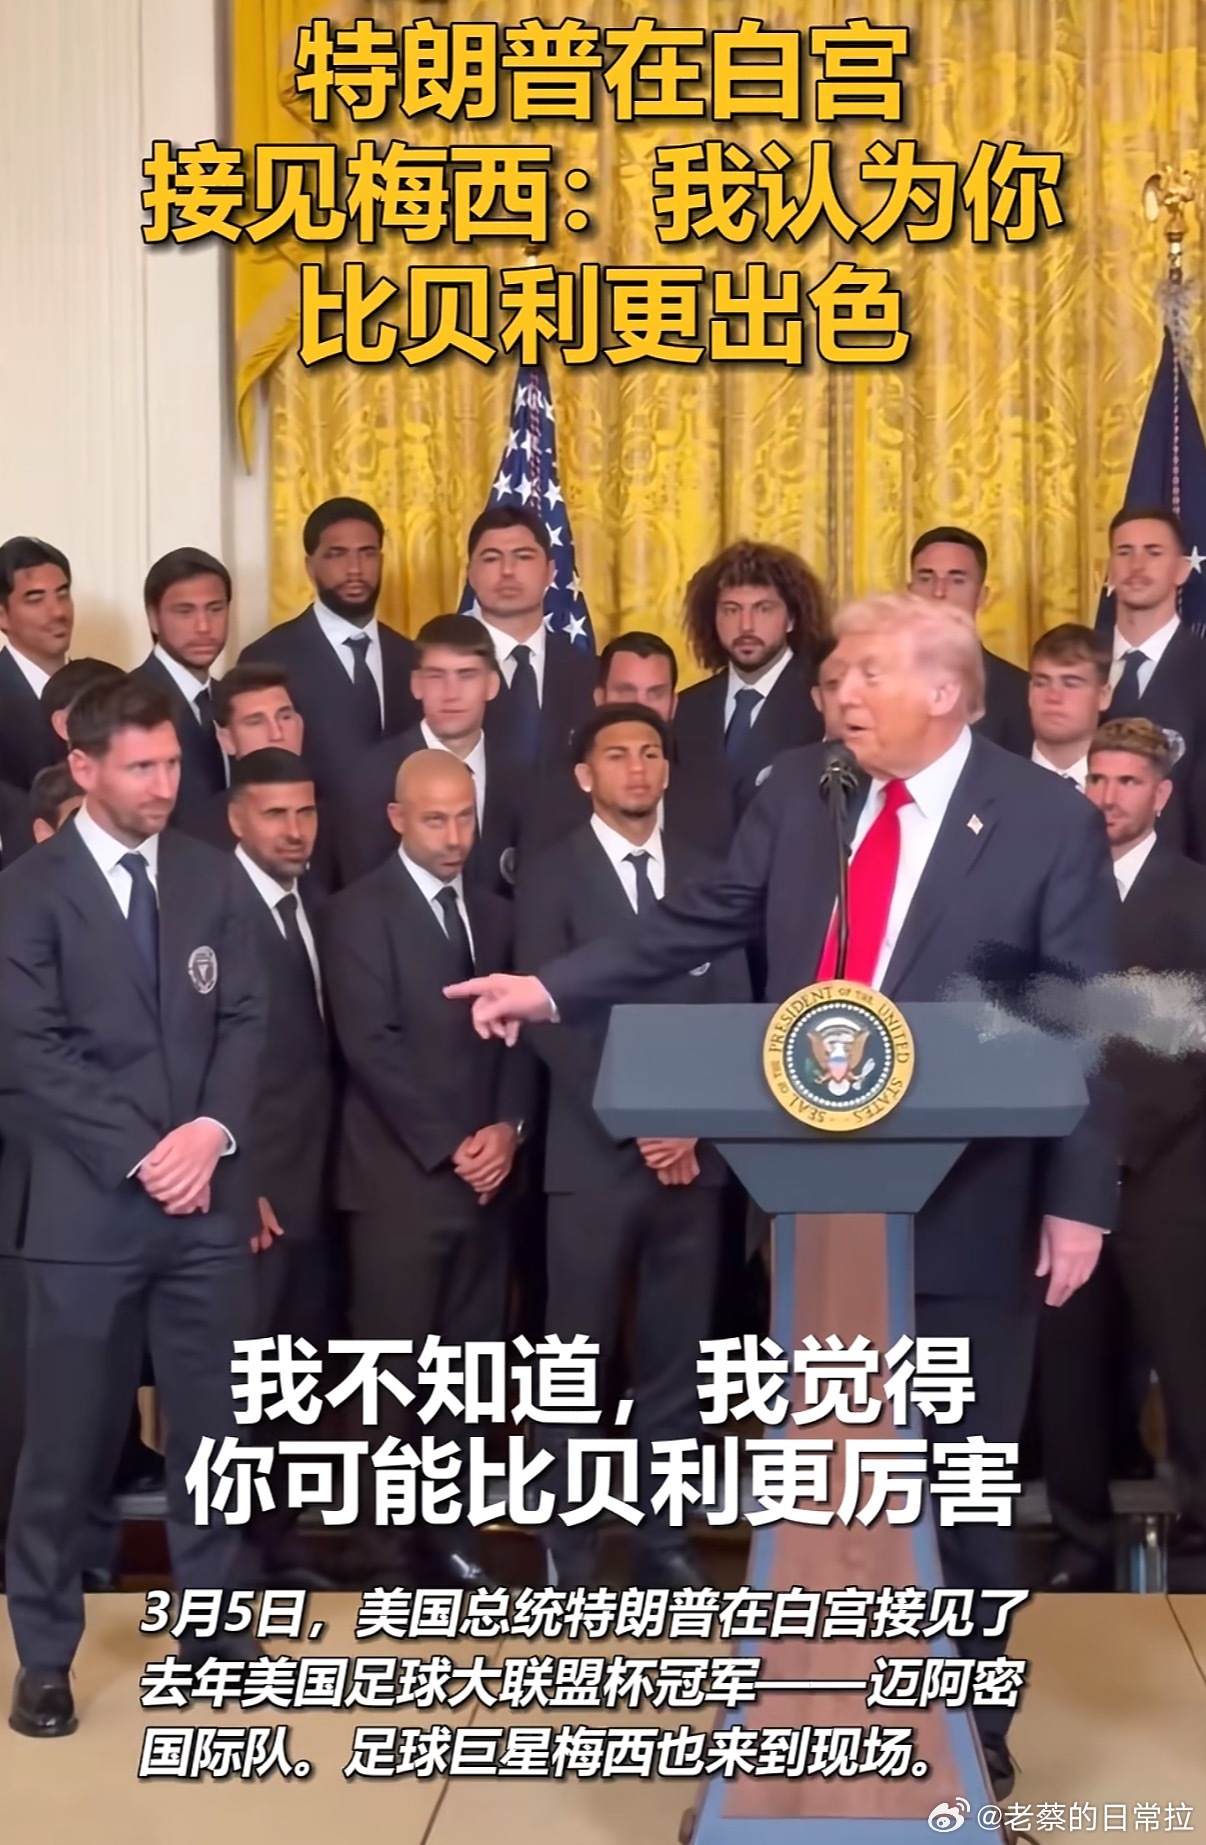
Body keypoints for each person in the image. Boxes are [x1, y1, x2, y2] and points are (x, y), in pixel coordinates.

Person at [448, 592, 1118, 1800]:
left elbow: (1082, 1015)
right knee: (830, 1473)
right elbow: (699, 919)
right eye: (838, 674)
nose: (841, 693)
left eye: (866, 675)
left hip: (974, 1200)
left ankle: (972, 1718)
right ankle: (818, 1696)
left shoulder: (1043, 819)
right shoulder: (804, 790)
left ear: (946, 694)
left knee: (961, 1479)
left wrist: (1081, 1198)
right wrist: (549, 989)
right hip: (815, 1201)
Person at [0, 676, 267, 1737]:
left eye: (172, 764)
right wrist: (145, 1153)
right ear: (86, 768)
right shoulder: (29, 891)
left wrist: (211, 1133)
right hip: (84, 1217)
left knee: (215, 1434)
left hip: (205, 1209)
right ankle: (45, 1655)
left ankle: (215, 1632)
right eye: (143, 767)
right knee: (65, 1445)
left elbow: (248, 1018)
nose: (164, 784)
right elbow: (32, 1051)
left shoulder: (211, 874)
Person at [515, 705, 750, 1589]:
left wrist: (689, 1121)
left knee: (675, 1361)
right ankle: (568, 1550)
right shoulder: (551, 874)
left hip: (694, 1159)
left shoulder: (710, 873)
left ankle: (665, 1546)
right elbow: (545, 1017)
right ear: (586, 775)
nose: (638, 767)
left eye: (651, 752)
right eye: (617, 754)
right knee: (574, 1363)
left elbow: (736, 1009)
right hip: (592, 1155)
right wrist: (641, 1116)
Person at [321, 751, 534, 1590]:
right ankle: (379, 1549)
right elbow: (370, 1045)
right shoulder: (355, 913)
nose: (454, 836)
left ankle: (450, 1537)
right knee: (391, 1375)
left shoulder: (500, 914)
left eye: (464, 817)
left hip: (489, 1182)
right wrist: (454, 1143)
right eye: (436, 819)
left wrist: (507, 1130)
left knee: (466, 1375)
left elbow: (527, 1035)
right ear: (397, 818)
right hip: (398, 1183)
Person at [1042, 718, 1206, 1589]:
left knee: (1189, 1365)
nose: (1108, 797)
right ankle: (1080, 1542)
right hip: (1060, 1172)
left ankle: (1199, 1548)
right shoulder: (1049, 889)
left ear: (1161, 795)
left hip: (1168, 1173)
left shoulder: (1195, 897)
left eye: (1127, 782)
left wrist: (1123, 1144)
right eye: (1096, 780)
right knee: (1069, 1371)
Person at [226, 748, 337, 1588]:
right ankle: (230, 1562)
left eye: (305, 812)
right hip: (251, 1194)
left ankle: (281, 1545)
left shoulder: (318, 906)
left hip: (323, 1184)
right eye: (275, 814)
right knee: (239, 1385)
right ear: (237, 819)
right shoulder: (214, 910)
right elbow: (196, 1059)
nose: (295, 830)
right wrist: (241, 1181)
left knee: (298, 1378)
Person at [238, 498, 419, 801]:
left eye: (367, 553)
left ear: (381, 561)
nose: (355, 569)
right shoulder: (266, 657)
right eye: (337, 555)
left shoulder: (411, 657)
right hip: (309, 827)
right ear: (310, 567)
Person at [332, 613, 525, 894]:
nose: (451, 693)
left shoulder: (523, 776)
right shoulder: (370, 778)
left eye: (466, 675)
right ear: (416, 684)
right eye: (436, 676)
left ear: (492, 685)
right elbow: (364, 894)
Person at [671, 541, 826, 843]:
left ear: (791, 618)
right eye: (731, 610)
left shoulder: (822, 704)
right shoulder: (688, 709)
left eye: (763, 609)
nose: (746, 625)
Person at [173, 664, 337, 893]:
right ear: (227, 739)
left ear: (300, 725)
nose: (276, 734)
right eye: (256, 722)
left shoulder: (339, 818)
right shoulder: (196, 837)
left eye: (285, 717)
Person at [1100, 506, 1206, 856]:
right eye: (1124, 552)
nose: (1137, 565)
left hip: (1183, 876)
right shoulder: (1077, 666)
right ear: (1109, 567)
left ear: (1181, 570)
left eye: (1153, 552)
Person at [468, 506, 596, 771]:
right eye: (491, 559)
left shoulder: (588, 671)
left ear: (550, 572)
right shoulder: (439, 670)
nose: (507, 570)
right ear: (470, 574)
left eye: (523, 557)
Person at [908, 526, 1032, 756]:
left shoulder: (1020, 692)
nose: (938, 591)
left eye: (957, 580)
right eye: (926, 578)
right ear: (909, 591)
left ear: (982, 596)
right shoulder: (875, 682)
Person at [131, 548, 230, 814]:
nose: (203, 627)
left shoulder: (232, 700)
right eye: (185, 612)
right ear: (153, 618)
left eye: (215, 609)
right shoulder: (124, 701)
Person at [0, 537, 75, 790]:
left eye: (63, 594)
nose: (58, 612)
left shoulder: (106, 688)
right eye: (35, 599)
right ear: (2, 615)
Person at [1028, 624, 1112, 790]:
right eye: (1041, 683)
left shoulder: (1128, 788)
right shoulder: (991, 780)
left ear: (1103, 696)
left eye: (1071, 684)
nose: (1053, 697)